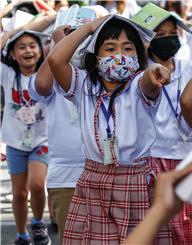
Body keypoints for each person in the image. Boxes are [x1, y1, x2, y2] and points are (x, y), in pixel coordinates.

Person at [47, 14, 172, 244]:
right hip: (93, 181)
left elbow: (149, 80)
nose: (120, 56)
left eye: (127, 49)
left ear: (138, 55)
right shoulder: (83, 86)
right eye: (110, 48)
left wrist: (156, 73)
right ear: (96, 58)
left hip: (135, 181)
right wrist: (90, 27)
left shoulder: (138, 85)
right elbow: (55, 60)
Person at [132, 4, 192, 243]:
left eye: (172, 33)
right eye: (158, 34)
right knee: (164, 228)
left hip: (188, 156)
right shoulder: (138, 73)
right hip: (154, 158)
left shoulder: (188, 68)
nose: (167, 39)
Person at [29, 24, 85, 243]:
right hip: (66, 176)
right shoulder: (51, 76)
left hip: (104, 171)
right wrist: (59, 43)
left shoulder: (100, 73)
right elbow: (42, 85)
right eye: (70, 38)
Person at [1, 24, 53, 244]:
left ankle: (38, 223)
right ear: (12, 54)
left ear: (40, 51)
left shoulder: (47, 73)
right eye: (21, 47)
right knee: (19, 193)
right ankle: (22, 235)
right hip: (14, 142)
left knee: (37, 184)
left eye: (33, 46)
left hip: (41, 140)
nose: (28, 51)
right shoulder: (7, 74)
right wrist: (11, 34)